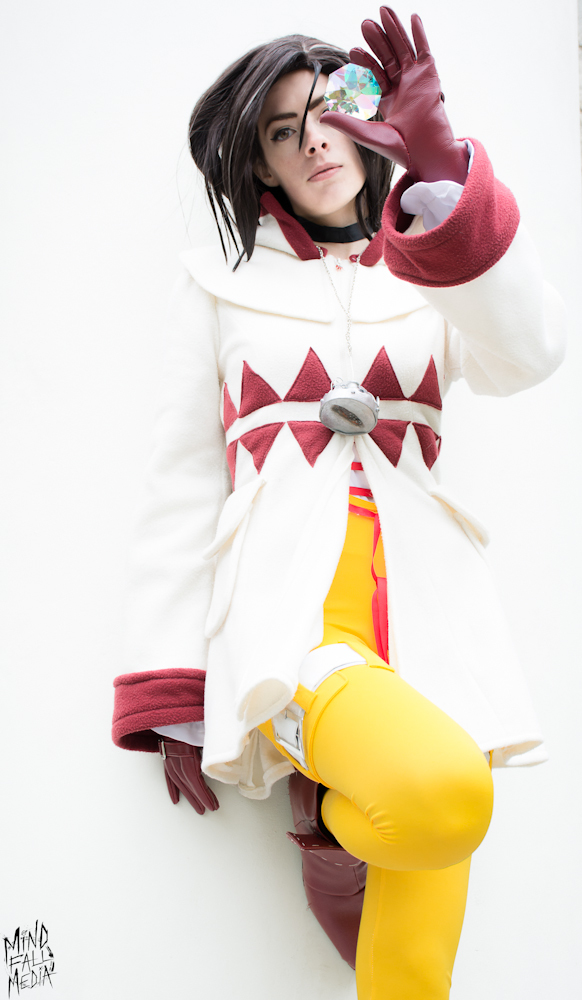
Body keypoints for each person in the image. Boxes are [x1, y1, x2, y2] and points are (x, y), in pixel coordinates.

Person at [111, 8, 566, 998]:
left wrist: (443, 174)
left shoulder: (431, 268)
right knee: (450, 800)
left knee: (415, 965)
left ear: (369, 127)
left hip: (432, 621)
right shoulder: (219, 287)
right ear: (262, 167)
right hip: (296, 629)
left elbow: (531, 354)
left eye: (328, 114)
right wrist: (169, 688)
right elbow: (179, 483)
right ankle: (330, 815)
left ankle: (337, 817)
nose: (314, 141)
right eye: (283, 132)